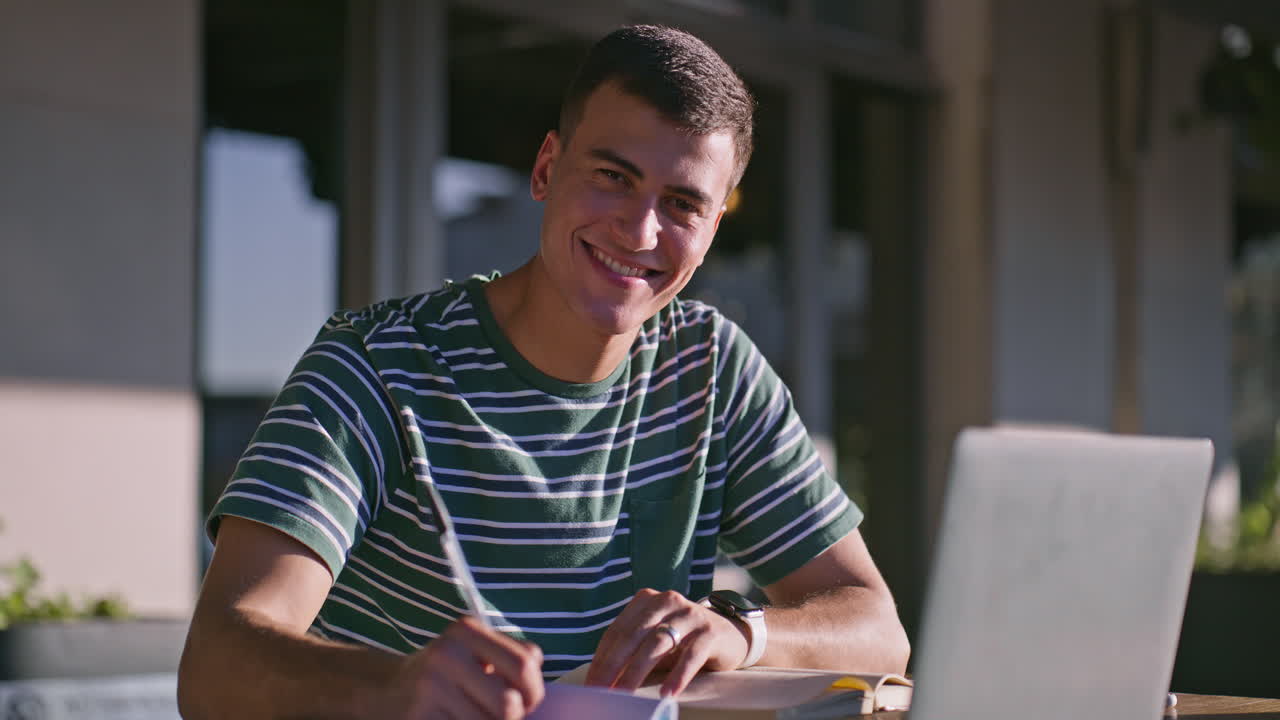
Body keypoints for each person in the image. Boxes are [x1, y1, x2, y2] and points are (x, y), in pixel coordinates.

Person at [178, 24, 909, 720]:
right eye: (613, 176)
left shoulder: (714, 371)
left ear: (712, 230)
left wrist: (742, 632)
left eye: (682, 204)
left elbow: (878, 630)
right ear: (546, 170)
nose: (641, 230)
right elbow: (213, 667)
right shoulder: (376, 366)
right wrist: (392, 688)